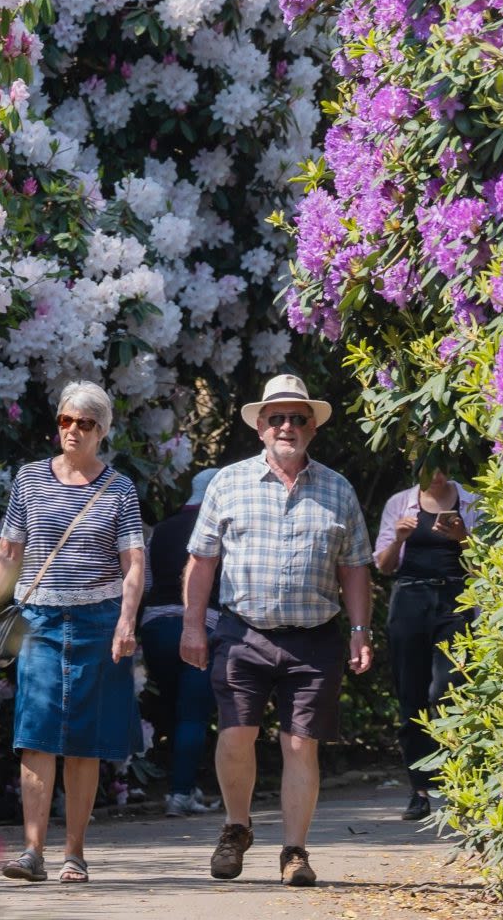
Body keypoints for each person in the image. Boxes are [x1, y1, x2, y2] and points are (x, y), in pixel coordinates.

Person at [180, 373, 373, 889]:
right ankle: (236, 828)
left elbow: (355, 568)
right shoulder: (227, 483)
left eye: (297, 418)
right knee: (236, 735)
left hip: (315, 637)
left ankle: (295, 852)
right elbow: (201, 561)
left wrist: (359, 630)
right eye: (277, 418)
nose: (287, 426)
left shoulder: (338, 489)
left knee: (299, 746)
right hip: (243, 634)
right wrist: (193, 626)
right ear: (260, 428)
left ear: (312, 428)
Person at [0, 381, 146, 884]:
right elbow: (8, 553)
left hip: (98, 622)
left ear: (102, 432)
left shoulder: (120, 488)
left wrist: (127, 620)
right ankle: (31, 853)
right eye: (66, 421)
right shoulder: (29, 480)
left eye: (85, 424)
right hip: (39, 621)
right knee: (36, 735)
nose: (73, 430)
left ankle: (75, 853)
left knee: (84, 743)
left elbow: (134, 562)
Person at [374, 456, 480, 820]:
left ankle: (460, 784)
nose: (436, 475)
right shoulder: (399, 505)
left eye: (443, 466)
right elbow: (384, 566)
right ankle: (418, 789)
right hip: (410, 600)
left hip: (455, 600)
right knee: (412, 694)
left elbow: (487, 566)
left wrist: (463, 538)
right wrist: (399, 539)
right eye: (428, 468)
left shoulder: (471, 502)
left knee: (449, 690)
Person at [139, 467, 218, 815]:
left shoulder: (162, 531)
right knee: (193, 715)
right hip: (201, 626)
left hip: (156, 627)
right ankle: (180, 793)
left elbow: (145, 584)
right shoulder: (221, 529)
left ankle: (184, 785)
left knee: (172, 711)